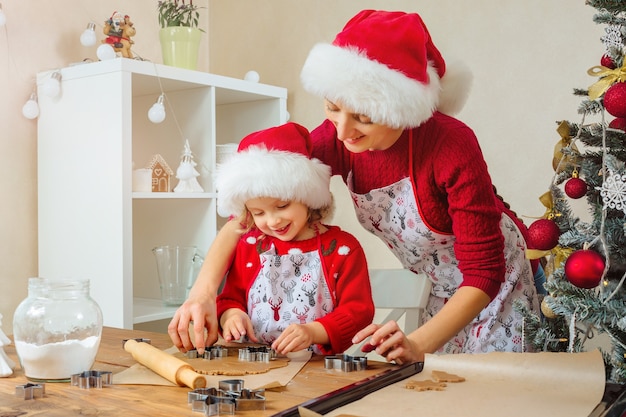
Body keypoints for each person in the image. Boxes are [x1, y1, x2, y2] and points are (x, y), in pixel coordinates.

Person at [169, 9, 541, 363]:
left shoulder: (451, 144)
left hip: (496, 287)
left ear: (401, 108)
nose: (343, 132)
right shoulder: (338, 138)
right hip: (441, 288)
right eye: (332, 108)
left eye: (363, 117)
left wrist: (418, 342)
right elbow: (252, 206)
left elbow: (483, 272)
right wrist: (202, 294)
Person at [212, 122, 374, 355]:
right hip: (251, 363)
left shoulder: (342, 249)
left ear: (307, 196)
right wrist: (231, 316)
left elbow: (358, 312)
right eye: (259, 213)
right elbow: (230, 298)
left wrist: (313, 331)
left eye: (282, 206)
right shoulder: (249, 246)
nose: (273, 220)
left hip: (317, 371)